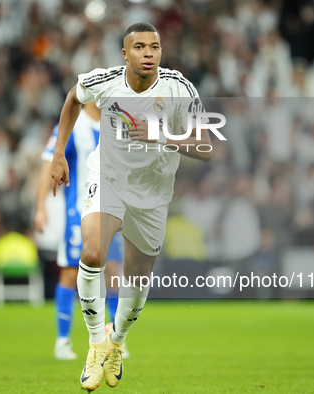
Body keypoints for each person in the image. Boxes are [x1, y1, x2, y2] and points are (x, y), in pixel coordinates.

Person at [50, 23, 213, 391]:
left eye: (154, 47)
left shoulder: (179, 88)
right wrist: (59, 153)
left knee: (136, 278)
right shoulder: (105, 81)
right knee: (92, 253)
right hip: (108, 180)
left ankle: (117, 343)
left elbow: (205, 147)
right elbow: (74, 99)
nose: (149, 53)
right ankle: (95, 343)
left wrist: (159, 133)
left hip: (153, 192)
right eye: (139, 47)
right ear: (125, 54)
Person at [34, 101, 126, 361]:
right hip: (80, 211)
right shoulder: (72, 126)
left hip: (112, 210)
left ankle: (116, 339)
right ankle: (62, 341)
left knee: (114, 272)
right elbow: (48, 165)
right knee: (70, 273)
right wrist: (40, 207)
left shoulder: (117, 124)